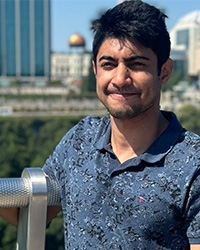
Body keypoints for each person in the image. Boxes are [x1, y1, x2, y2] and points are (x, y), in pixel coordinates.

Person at [0, 0, 200, 249]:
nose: (120, 78)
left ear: (164, 72)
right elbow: (30, 212)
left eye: (137, 64)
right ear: (95, 69)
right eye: (108, 64)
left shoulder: (193, 164)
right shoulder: (80, 140)